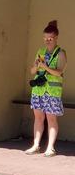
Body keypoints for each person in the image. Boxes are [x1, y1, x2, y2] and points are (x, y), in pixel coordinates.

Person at [26, 20, 67, 157]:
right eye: (45, 38)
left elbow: (59, 72)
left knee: (51, 118)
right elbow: (32, 71)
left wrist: (45, 67)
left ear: (56, 38)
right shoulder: (40, 51)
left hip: (53, 91)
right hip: (38, 89)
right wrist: (37, 66)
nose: (47, 41)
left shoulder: (61, 53)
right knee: (38, 118)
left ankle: (50, 147)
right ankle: (36, 145)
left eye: (50, 38)